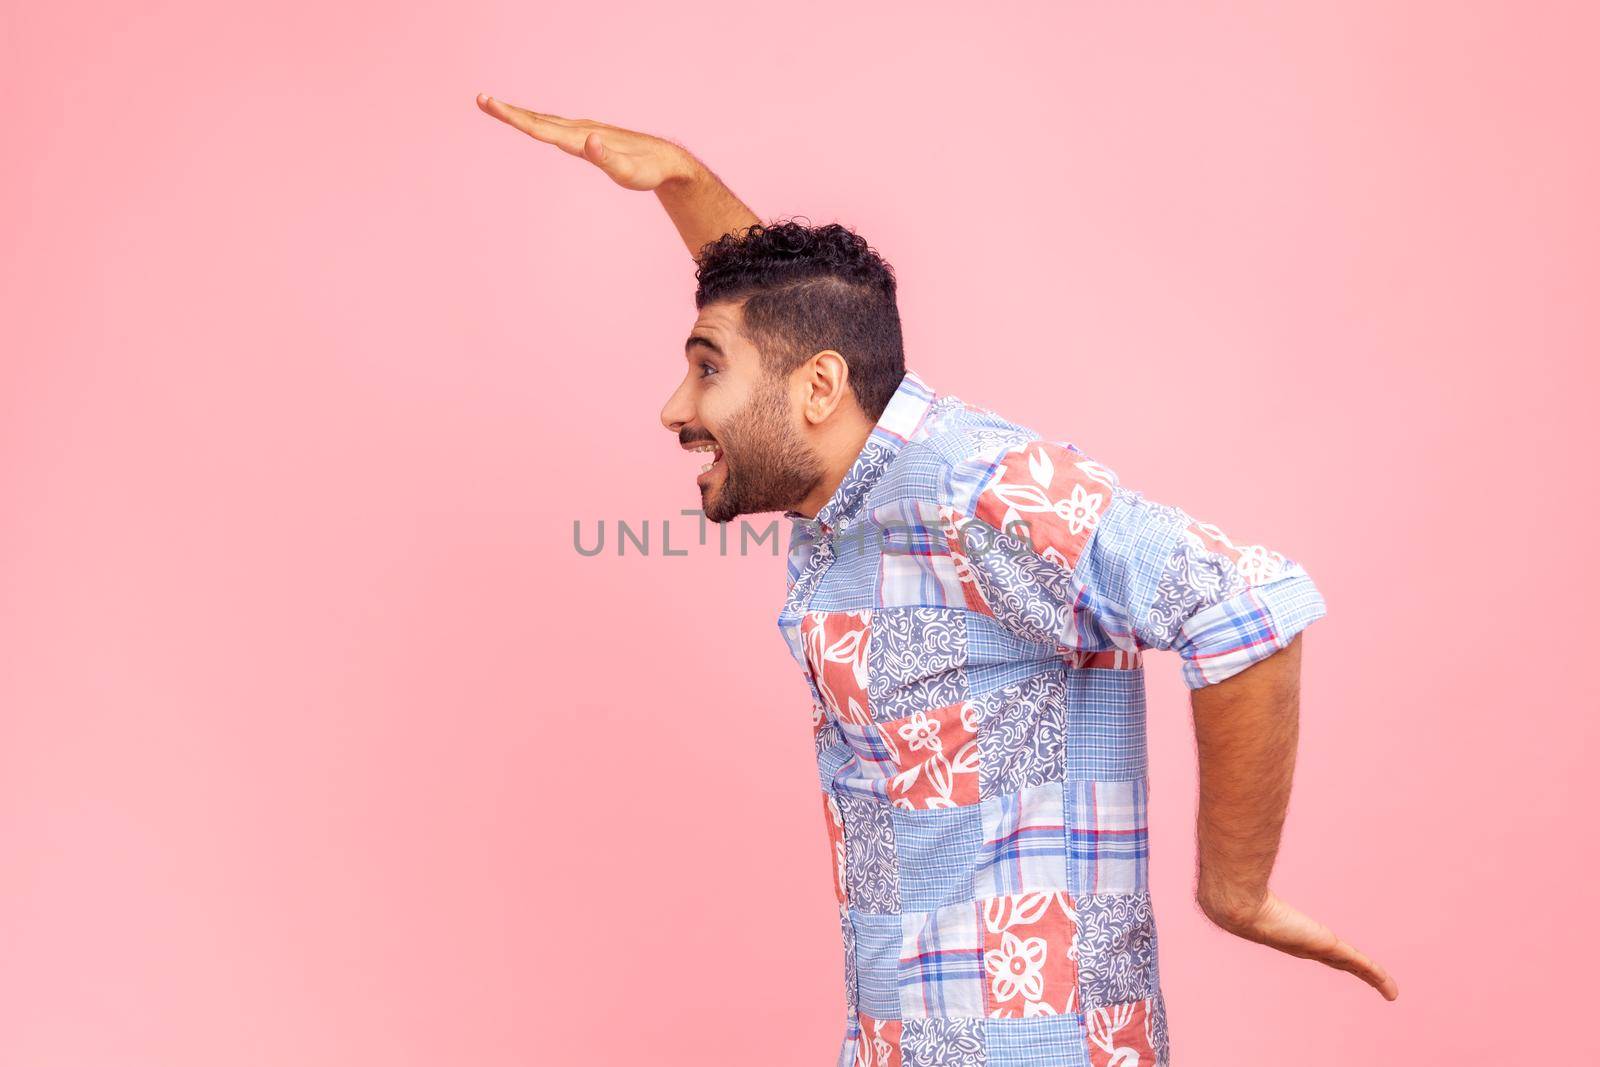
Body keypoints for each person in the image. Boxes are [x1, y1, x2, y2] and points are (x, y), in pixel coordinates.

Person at [476, 93, 1399, 1067]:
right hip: (904, 1033)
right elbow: (800, 326)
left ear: (821, 390)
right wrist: (683, 183)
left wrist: (1235, 889)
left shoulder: (980, 486)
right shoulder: (857, 477)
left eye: (704, 370)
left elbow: (1243, 601)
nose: (674, 406)